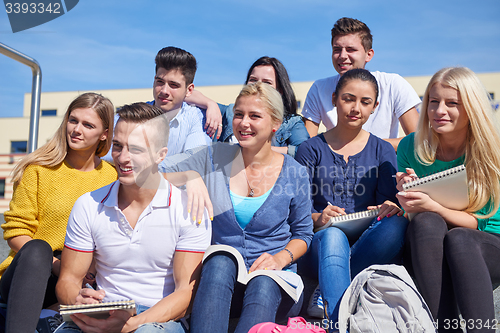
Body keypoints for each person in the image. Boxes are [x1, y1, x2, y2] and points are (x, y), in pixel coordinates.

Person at [163, 82, 314, 333]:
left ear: (275, 124)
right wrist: (189, 176)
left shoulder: (295, 173)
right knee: (220, 259)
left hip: (275, 285)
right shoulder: (213, 156)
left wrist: (279, 259)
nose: (244, 123)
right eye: (239, 114)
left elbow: (304, 234)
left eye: (255, 116)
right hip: (219, 285)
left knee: (264, 282)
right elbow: (152, 177)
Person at [55, 102, 211, 333]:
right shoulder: (88, 204)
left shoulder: (190, 209)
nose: (123, 157)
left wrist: (130, 325)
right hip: (105, 309)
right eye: (117, 146)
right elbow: (68, 280)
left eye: (136, 149)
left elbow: (184, 295)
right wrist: (79, 301)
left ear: (161, 155)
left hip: (159, 318)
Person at [295, 69, 408, 325]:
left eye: (365, 102)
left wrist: (386, 207)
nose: (356, 108)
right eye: (348, 99)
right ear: (334, 98)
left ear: (375, 107)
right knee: (333, 235)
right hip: (320, 244)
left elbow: (389, 205)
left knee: (398, 223)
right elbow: (297, 209)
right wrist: (318, 217)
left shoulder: (383, 150)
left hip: (368, 243)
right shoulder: (309, 149)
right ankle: (340, 323)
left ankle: (329, 285)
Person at [0, 92, 117, 333]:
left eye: (88, 125)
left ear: (104, 133)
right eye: (73, 120)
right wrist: (57, 266)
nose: (76, 129)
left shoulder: (114, 177)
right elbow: (16, 232)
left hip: (85, 275)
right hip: (31, 272)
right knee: (38, 249)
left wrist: (193, 176)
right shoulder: (38, 169)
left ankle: (55, 313)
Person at [396, 67, 500, 333]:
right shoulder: (410, 146)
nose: (439, 110)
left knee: (460, 237)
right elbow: (416, 219)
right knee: (426, 222)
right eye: (433, 101)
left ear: (472, 107)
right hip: (430, 248)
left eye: (452, 103)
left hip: (484, 250)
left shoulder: (492, 151)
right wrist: (408, 199)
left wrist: (434, 206)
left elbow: (482, 224)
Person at [301, 17, 421, 151]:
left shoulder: (393, 84)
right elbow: (307, 145)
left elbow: (418, 139)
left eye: (350, 49)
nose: (342, 55)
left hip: (382, 168)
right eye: (337, 49)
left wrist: (365, 146)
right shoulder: (319, 89)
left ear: (369, 55)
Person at [185, 56, 309, 156]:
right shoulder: (229, 111)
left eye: (267, 82)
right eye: (253, 80)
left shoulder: (292, 122)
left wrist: (254, 150)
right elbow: (185, 94)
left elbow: (305, 152)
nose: (259, 85)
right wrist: (210, 104)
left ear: (280, 89)